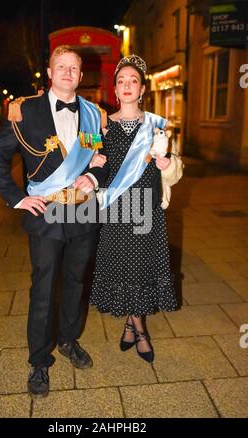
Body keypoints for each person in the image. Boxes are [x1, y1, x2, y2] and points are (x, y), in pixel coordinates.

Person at [0, 45, 109, 398]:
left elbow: (101, 159)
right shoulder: (27, 111)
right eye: (61, 66)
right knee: (43, 288)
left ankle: (69, 340)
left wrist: (94, 178)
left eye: (74, 67)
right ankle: (40, 359)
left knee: (74, 282)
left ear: (81, 76)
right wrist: (17, 197)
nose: (68, 72)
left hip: (84, 212)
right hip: (47, 213)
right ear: (50, 73)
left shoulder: (91, 114)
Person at [90, 54, 183, 363]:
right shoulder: (101, 127)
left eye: (133, 81)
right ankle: (138, 328)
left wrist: (168, 164)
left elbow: (176, 171)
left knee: (141, 269)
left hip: (147, 209)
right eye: (121, 81)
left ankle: (134, 327)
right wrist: (91, 163)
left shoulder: (158, 126)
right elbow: (87, 159)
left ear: (142, 89)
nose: (127, 86)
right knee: (124, 268)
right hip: (116, 211)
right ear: (115, 90)